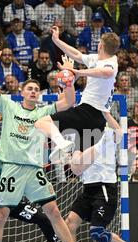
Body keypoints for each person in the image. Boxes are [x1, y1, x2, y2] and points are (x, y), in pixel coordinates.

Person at [0, 44, 95, 242]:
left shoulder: (43, 112)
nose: (33, 92)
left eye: (36, 90)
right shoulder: (9, 106)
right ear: (22, 92)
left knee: (53, 211)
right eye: (29, 89)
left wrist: (70, 79)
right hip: (12, 167)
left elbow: (69, 102)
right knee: (0, 214)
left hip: (34, 170)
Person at [46, 112, 138, 242]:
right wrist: (68, 157)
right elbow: (76, 167)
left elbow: (121, 133)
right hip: (88, 188)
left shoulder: (107, 133)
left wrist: (104, 111)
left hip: (105, 188)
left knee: (97, 233)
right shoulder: (80, 138)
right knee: (70, 223)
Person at [34, 25, 120, 164]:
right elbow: (76, 54)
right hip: (97, 120)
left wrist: (77, 72)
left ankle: (62, 144)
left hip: (88, 112)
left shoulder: (111, 63)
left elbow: (107, 73)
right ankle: (101, 147)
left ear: (101, 46)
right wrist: (56, 40)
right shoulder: (96, 59)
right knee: (77, 166)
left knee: (41, 123)